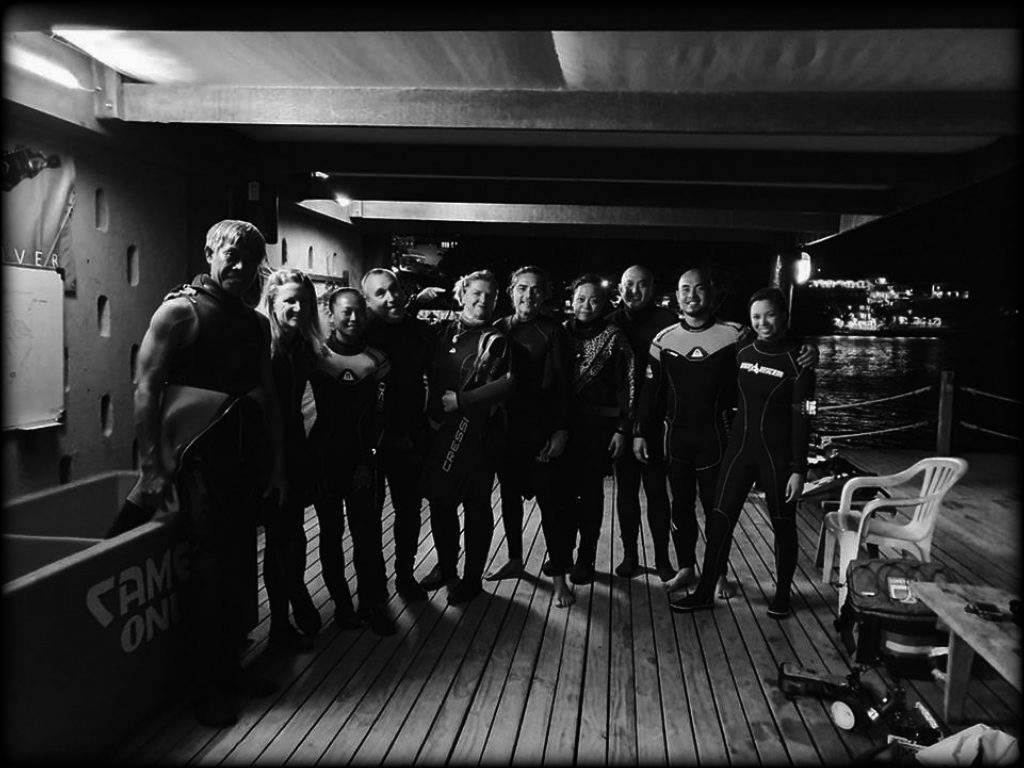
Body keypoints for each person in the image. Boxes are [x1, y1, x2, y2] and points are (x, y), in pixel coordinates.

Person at [133, 219, 283, 727]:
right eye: (230, 255)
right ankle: (202, 687)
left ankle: (228, 668)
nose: (239, 266)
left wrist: (278, 465)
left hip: (243, 458)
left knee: (238, 566)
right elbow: (145, 388)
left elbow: (267, 396)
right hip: (197, 461)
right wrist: (153, 465)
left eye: (249, 259)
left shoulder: (255, 323)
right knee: (208, 570)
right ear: (209, 253)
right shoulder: (180, 311)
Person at [669, 286, 815, 619]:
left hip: (778, 457)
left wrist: (799, 468)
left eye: (770, 315)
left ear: (784, 316)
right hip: (739, 451)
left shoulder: (800, 360)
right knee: (720, 520)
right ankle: (705, 591)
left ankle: (782, 594)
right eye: (756, 316)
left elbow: (804, 415)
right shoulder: (743, 348)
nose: (764, 322)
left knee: (783, 523)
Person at [418, 269, 515, 605]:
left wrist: (463, 400)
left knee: (476, 506)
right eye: (476, 293)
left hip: (478, 436)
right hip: (438, 431)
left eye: (490, 295)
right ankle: (447, 567)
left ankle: (472, 578)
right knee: (440, 501)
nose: (482, 300)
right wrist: (416, 300)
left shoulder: (497, 339)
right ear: (462, 295)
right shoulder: (441, 331)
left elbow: (508, 382)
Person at [308, 287, 395, 636]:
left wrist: (368, 459)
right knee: (330, 534)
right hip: (324, 461)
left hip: (363, 463)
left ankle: (370, 604)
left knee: (367, 536)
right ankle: (342, 605)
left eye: (359, 311)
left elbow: (382, 416)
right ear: (331, 314)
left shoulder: (377, 359)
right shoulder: (316, 356)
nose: (354, 318)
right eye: (346, 311)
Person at [487, 266, 576, 607]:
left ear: (545, 294)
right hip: (506, 431)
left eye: (536, 289)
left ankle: (559, 579)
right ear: (511, 291)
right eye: (523, 288)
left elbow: (564, 386)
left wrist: (561, 430)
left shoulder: (552, 330)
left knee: (551, 506)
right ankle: (515, 560)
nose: (529, 295)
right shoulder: (499, 328)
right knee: (509, 499)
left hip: (540, 431)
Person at [361, 268, 438, 602]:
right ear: (367, 301)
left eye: (394, 289)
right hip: (371, 441)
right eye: (380, 293)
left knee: (408, 513)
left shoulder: (421, 332)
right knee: (368, 518)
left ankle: (404, 575)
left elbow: (438, 379)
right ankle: (375, 584)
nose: (391, 297)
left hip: (410, 437)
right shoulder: (360, 335)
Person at [258, 268, 325, 648]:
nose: (298, 307)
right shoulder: (263, 346)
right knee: (278, 535)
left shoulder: (303, 346)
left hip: (294, 445)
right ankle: (282, 620)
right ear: (271, 302)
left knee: (291, 534)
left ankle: (288, 610)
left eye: (304, 301)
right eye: (289, 301)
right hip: (263, 450)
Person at [561, 274, 635, 585]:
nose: (586, 305)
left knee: (591, 494)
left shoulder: (615, 337)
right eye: (581, 299)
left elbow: (627, 385)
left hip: (600, 428)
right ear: (572, 300)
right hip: (565, 425)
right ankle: (563, 552)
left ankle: (586, 557)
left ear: (604, 303)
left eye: (594, 300)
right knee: (564, 493)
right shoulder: (561, 332)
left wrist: (623, 428)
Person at [606, 265, 676, 580]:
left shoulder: (668, 322)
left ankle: (662, 558)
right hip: (623, 422)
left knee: (657, 492)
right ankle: (630, 555)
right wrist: (624, 426)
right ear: (620, 288)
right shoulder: (610, 323)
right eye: (628, 284)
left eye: (642, 284)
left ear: (652, 288)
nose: (634, 291)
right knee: (626, 493)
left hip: (656, 423)